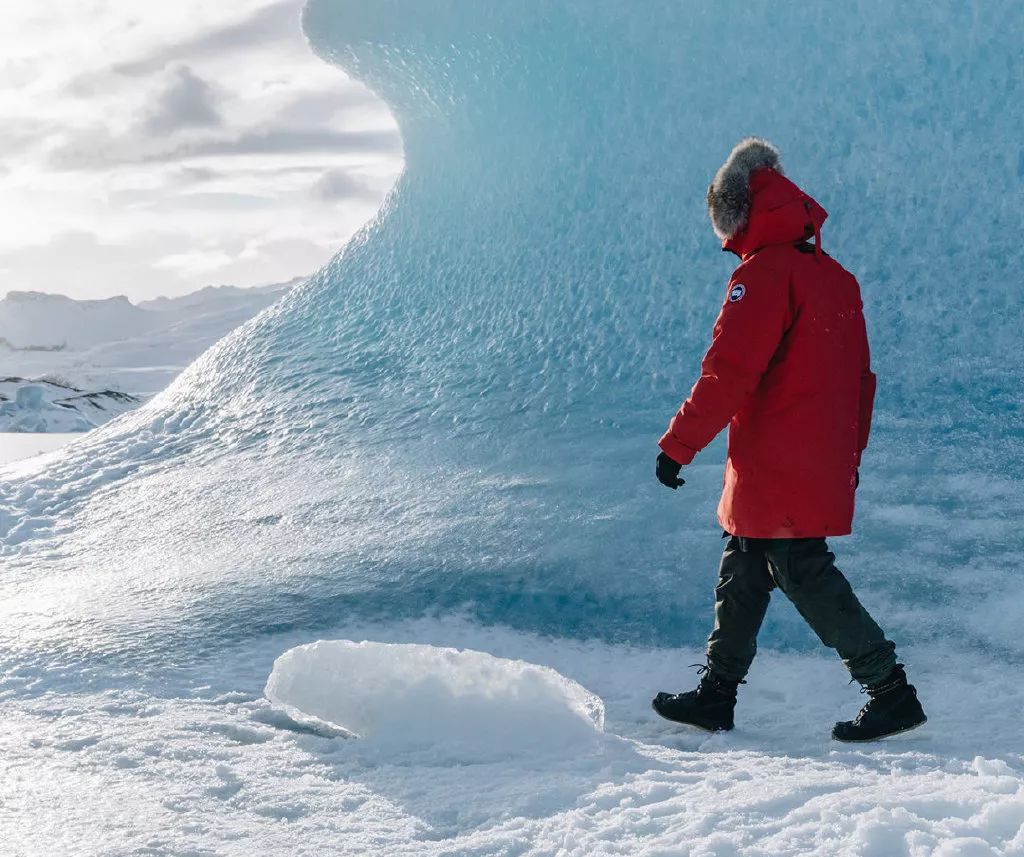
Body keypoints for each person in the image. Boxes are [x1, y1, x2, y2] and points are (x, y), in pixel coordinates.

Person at [651, 138, 926, 742]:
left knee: (801, 569)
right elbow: (862, 382)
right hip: (816, 457)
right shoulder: (836, 279)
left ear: (738, 215)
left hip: (777, 460)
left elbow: (730, 371)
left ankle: (891, 690)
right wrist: (847, 457)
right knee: (745, 563)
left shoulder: (763, 275)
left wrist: (679, 445)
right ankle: (717, 695)